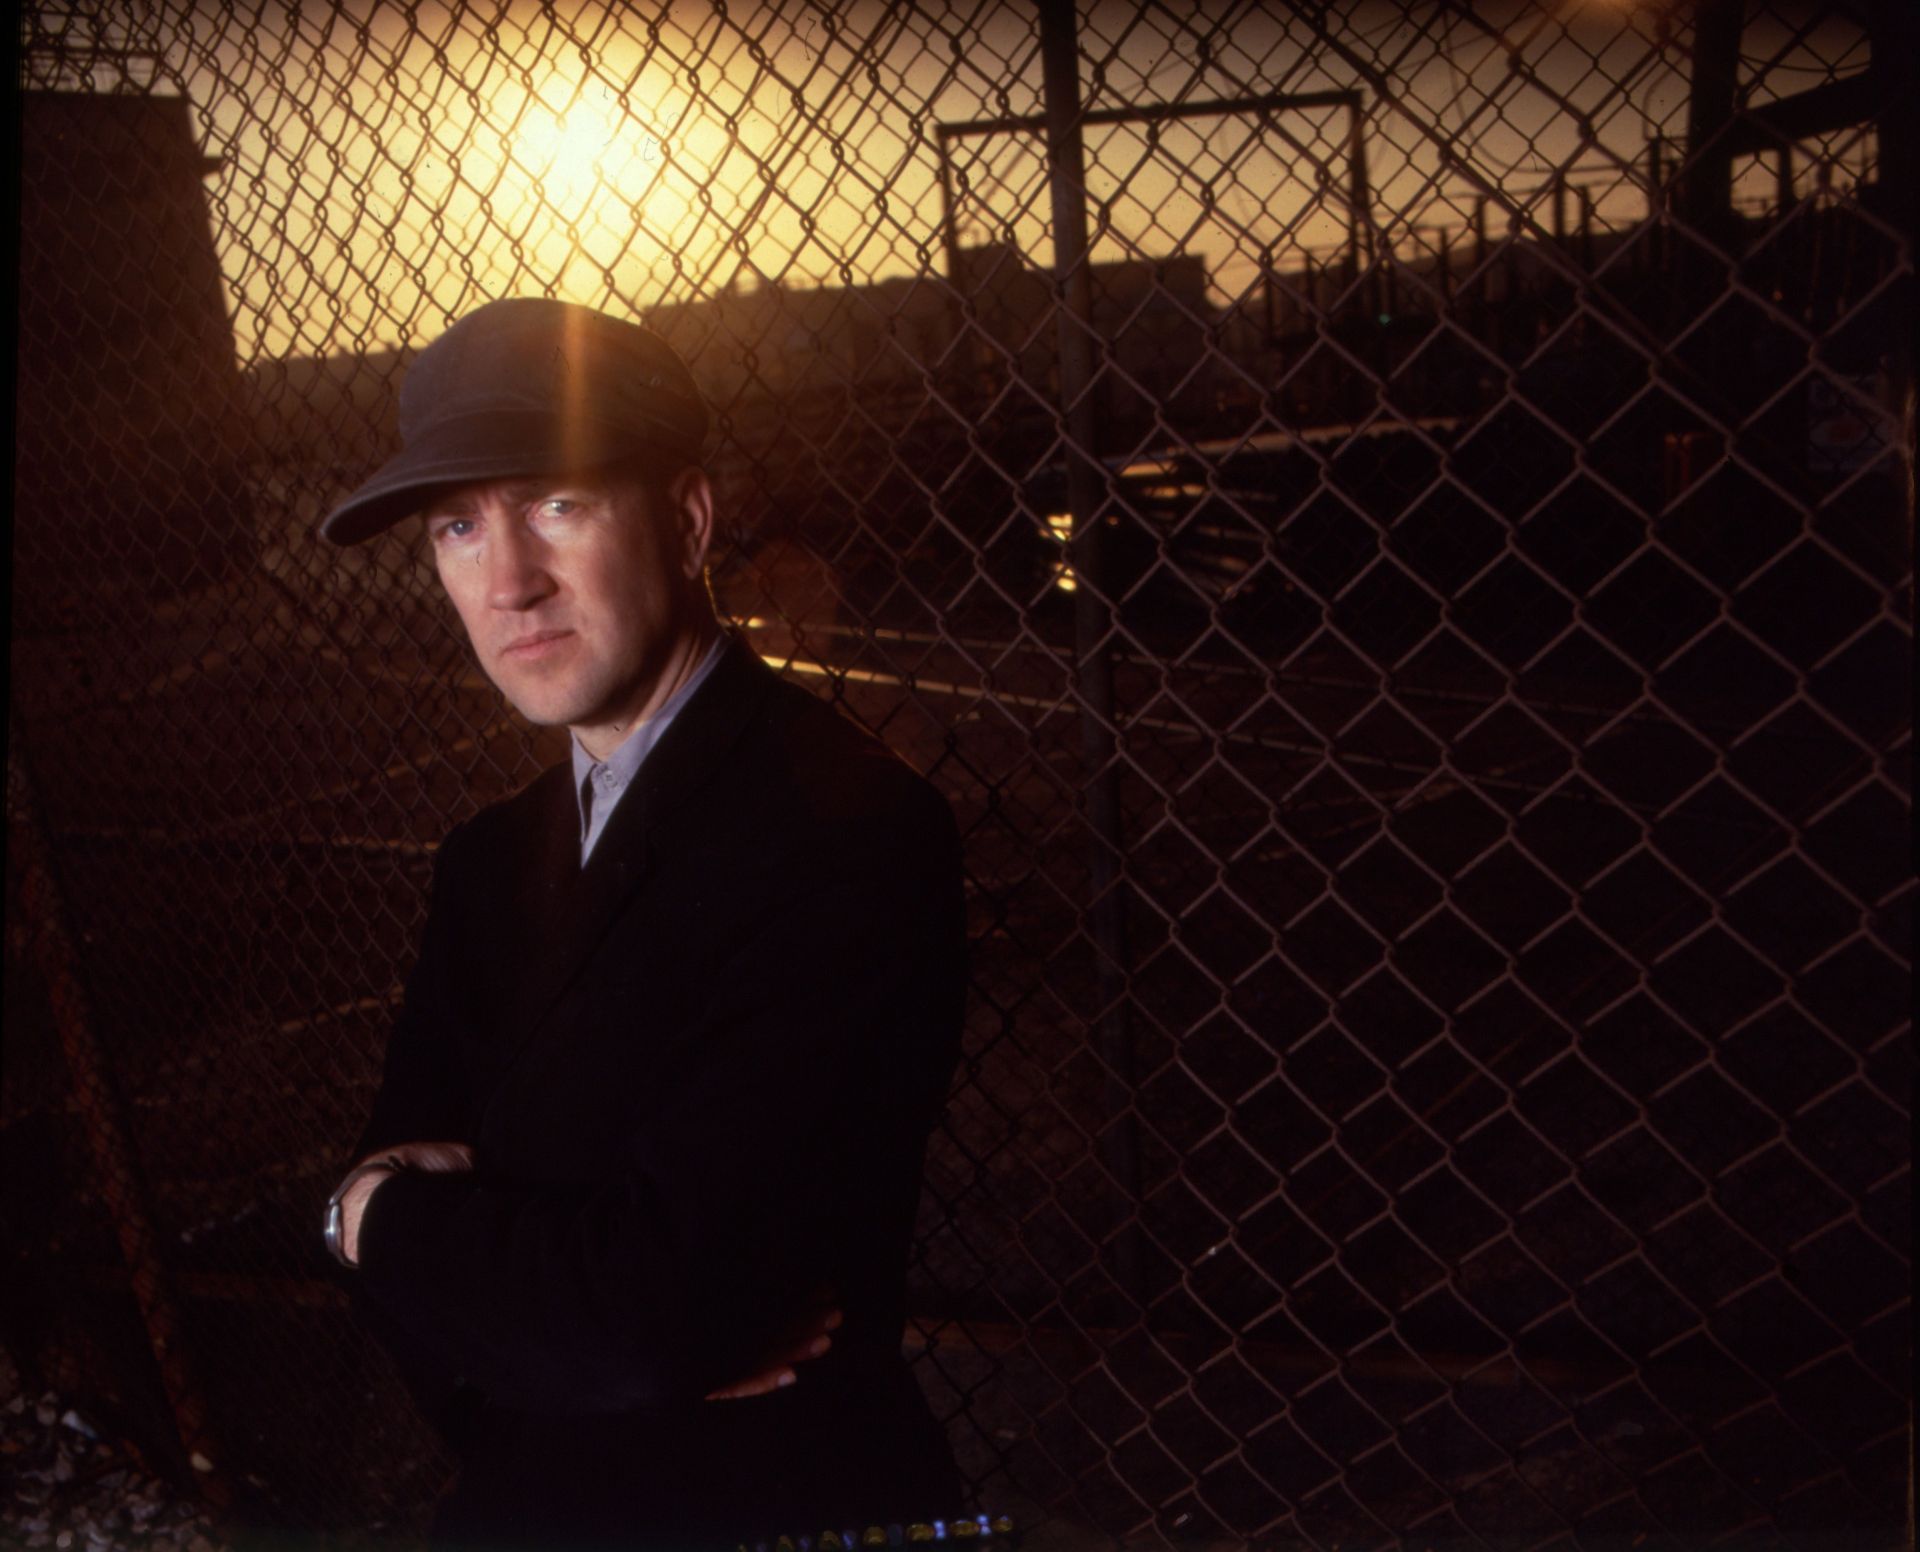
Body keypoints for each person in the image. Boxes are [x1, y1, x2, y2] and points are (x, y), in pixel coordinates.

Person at [316, 297, 968, 1551]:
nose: (509, 581)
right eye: (460, 525)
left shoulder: (846, 831)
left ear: (686, 518)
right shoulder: (485, 862)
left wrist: (373, 1217)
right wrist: (508, 1295)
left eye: (558, 502)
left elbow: (653, 1317)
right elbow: (443, 1320)